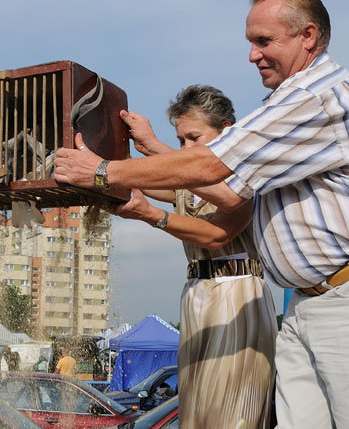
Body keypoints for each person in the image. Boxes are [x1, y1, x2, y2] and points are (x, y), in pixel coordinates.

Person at [54, 0, 349, 428]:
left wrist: (105, 172)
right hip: (309, 302)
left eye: (264, 41)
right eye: (251, 42)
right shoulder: (286, 102)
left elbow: (216, 174)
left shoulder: (317, 96)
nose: (252, 55)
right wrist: (130, 162)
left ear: (308, 36)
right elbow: (227, 184)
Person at [114, 86, 276, 428]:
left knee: (230, 413)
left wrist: (151, 214)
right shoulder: (188, 180)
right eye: (180, 139)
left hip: (237, 294)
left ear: (227, 130)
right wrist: (104, 152)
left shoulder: (244, 173)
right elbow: (139, 178)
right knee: (197, 412)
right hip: (196, 292)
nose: (185, 148)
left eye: (194, 138)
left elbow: (217, 235)